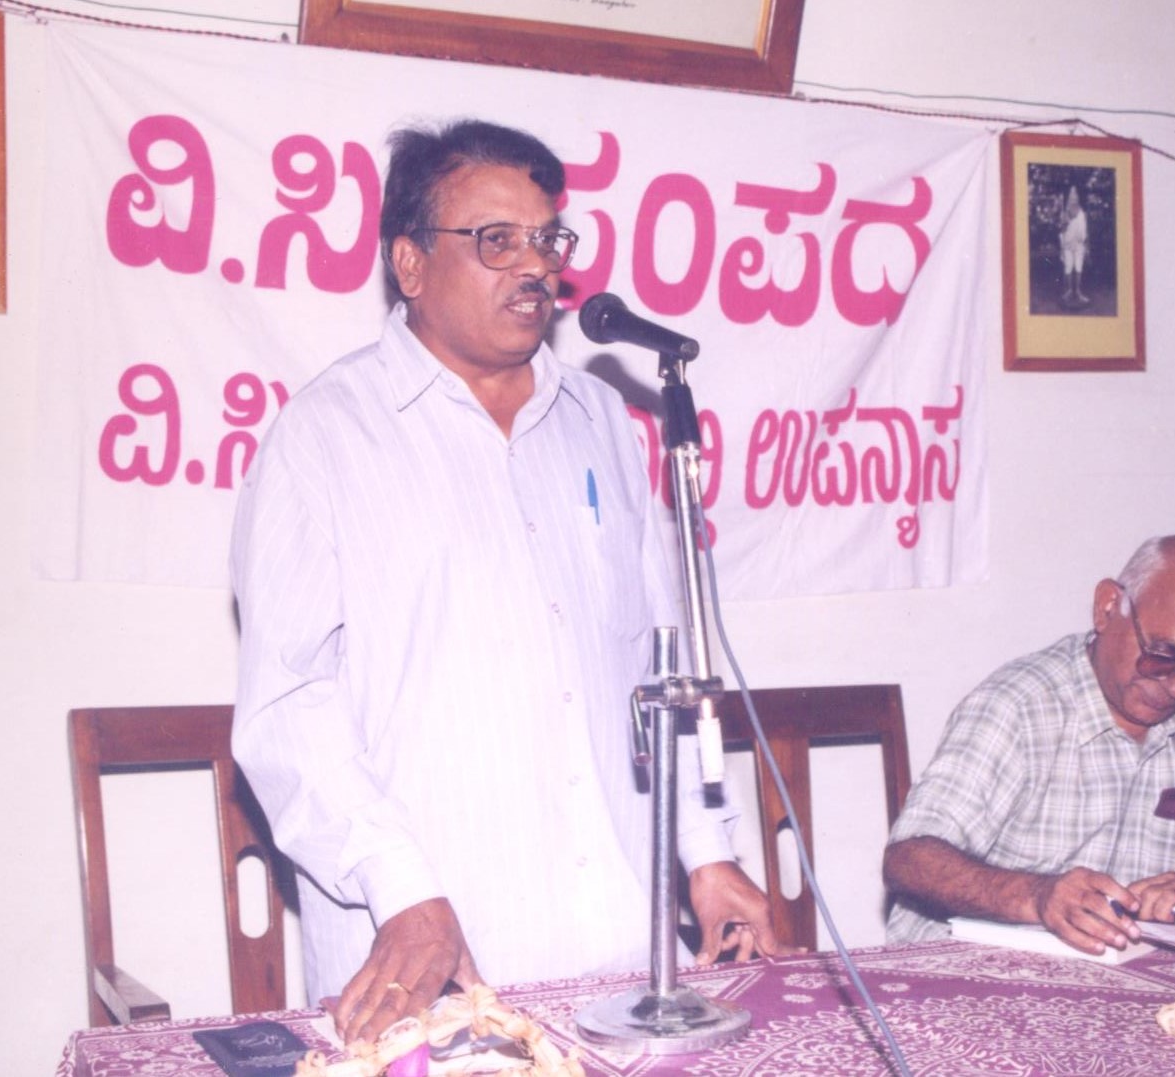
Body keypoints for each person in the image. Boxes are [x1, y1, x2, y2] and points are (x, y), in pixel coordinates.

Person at [230, 118, 782, 1047]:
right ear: (409, 263)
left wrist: (706, 853)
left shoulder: (601, 418)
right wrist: (401, 886)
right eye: (497, 240)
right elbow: (287, 705)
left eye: (547, 239)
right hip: (427, 968)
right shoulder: (324, 436)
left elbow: (657, 658)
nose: (535, 266)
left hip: (622, 964)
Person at [883, 534, 1175, 956]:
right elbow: (908, 860)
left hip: (1128, 974)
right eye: (1162, 657)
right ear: (1107, 607)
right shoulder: (1017, 707)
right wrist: (1037, 897)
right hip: (972, 967)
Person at [1058, 184, 1089, 308]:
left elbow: (1085, 231)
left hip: (1079, 245)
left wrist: (1086, 245)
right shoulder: (1064, 212)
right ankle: (1069, 291)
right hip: (1068, 245)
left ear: (1078, 196)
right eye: (1071, 193)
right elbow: (1061, 230)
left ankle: (1078, 292)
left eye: (1075, 193)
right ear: (1068, 196)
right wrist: (1065, 222)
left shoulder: (1082, 213)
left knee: (1078, 267)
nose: (1073, 196)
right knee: (1068, 267)